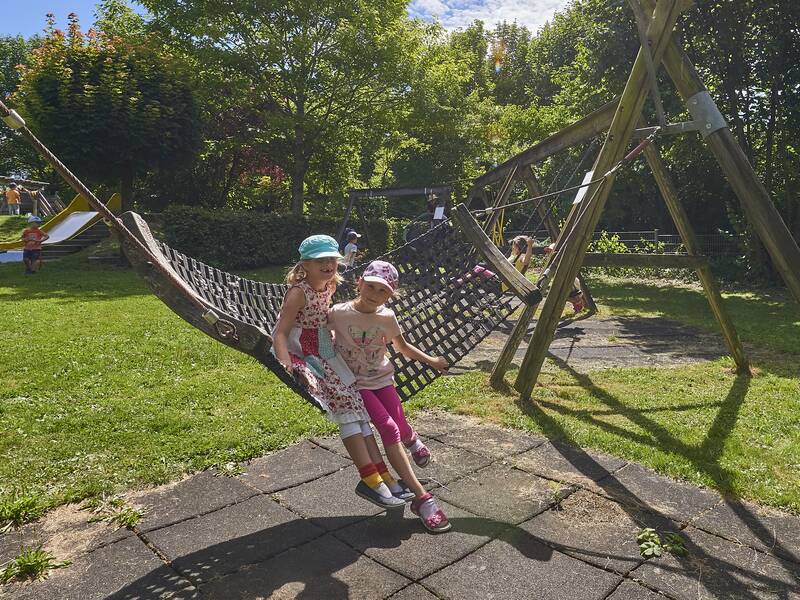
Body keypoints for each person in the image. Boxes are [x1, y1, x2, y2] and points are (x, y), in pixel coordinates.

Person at [272, 235, 406, 510]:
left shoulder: (330, 285)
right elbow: (281, 332)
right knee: (345, 406)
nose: (329, 265)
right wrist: (285, 360)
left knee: (358, 406)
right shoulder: (298, 292)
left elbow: (327, 321)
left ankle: (382, 475)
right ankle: (370, 480)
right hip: (303, 350)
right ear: (305, 265)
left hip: (324, 346)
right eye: (321, 260)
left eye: (332, 259)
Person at [329, 260, 452, 533]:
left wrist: (432, 361)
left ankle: (412, 438)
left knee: (400, 422)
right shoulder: (337, 313)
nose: (374, 294)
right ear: (359, 283)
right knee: (387, 427)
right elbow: (317, 334)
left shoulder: (386, 317)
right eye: (370, 286)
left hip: (383, 379)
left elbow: (403, 347)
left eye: (382, 291)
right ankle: (422, 499)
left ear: (390, 295)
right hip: (357, 384)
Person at [542, 243, 585, 313]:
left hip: (572, 288)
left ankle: (577, 305)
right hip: (571, 288)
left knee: (564, 296)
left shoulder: (565, 266)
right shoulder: (558, 266)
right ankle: (577, 305)